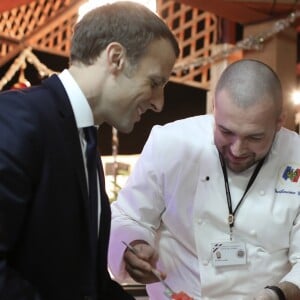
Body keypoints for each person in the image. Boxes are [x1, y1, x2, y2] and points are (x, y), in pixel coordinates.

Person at [0, 1, 179, 299]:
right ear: (116, 58)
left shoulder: (84, 141)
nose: (159, 103)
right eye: (155, 82)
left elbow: (86, 284)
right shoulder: (18, 119)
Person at [108, 59, 300, 300]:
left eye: (255, 137)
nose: (238, 149)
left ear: (279, 122)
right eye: (226, 132)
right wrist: (134, 246)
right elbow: (128, 215)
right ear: (214, 109)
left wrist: (278, 294)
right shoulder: (171, 143)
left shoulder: (296, 156)